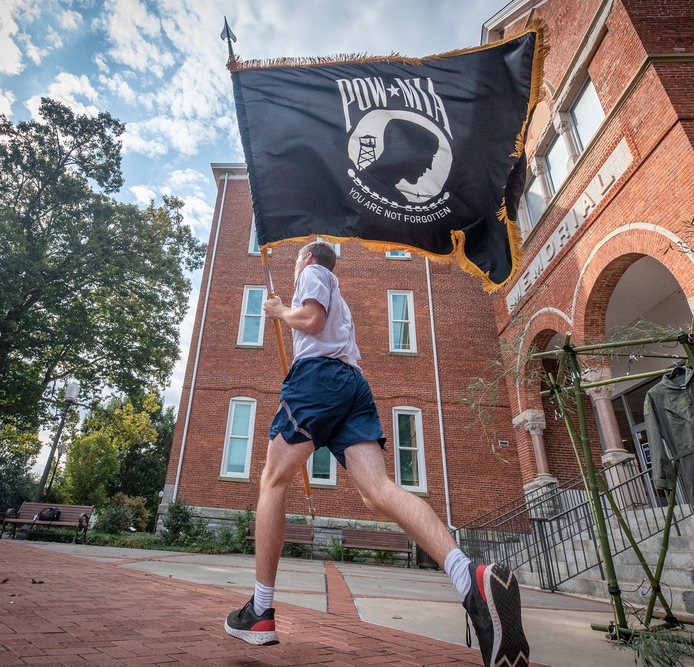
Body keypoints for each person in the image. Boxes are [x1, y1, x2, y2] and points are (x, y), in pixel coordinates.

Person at [224, 240, 530, 667]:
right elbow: (323, 324)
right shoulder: (341, 298)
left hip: (319, 381)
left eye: (297, 261)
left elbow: (310, 319)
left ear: (307, 259)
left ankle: (259, 611)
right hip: (353, 385)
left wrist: (278, 312)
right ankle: (468, 578)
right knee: (377, 490)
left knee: (272, 480)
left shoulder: (315, 274)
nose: (296, 269)